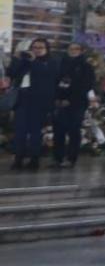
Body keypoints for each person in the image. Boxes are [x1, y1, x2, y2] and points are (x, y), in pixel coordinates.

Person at [7, 38, 58, 171]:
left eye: (41, 47)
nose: (37, 50)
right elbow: (11, 74)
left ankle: (34, 160)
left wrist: (34, 60)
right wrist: (16, 58)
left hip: (39, 102)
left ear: (46, 49)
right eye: (34, 47)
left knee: (36, 132)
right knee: (20, 132)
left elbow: (46, 76)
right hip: (22, 100)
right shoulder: (26, 61)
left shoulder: (51, 62)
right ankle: (18, 159)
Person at [48, 40, 96, 169]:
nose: (73, 51)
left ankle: (71, 158)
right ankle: (57, 158)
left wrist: (71, 100)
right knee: (59, 131)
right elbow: (55, 83)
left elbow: (85, 86)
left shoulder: (86, 67)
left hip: (77, 104)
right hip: (59, 103)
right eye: (70, 49)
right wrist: (57, 98)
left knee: (74, 131)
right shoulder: (61, 65)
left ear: (81, 51)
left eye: (76, 49)